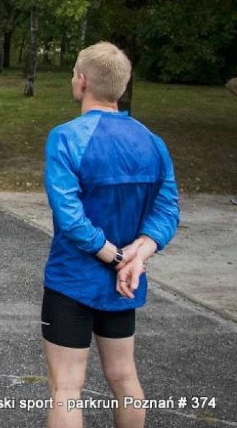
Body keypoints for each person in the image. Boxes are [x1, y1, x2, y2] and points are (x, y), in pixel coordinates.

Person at [41, 41, 180, 428]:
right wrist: (141, 251)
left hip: (73, 279)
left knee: (67, 389)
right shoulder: (152, 141)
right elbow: (167, 209)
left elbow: (70, 217)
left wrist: (117, 256)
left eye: (73, 73)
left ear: (82, 81)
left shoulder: (66, 137)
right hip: (126, 282)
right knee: (124, 377)